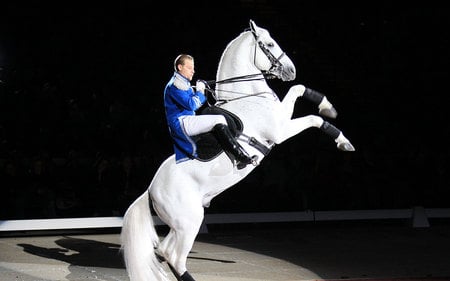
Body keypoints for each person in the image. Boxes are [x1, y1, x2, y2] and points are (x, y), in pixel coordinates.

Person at [163, 54, 257, 169]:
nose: (193, 71)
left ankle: (237, 156)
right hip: (180, 123)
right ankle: (240, 157)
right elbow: (193, 105)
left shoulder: (183, 83)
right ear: (180, 67)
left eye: (193, 68)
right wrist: (200, 90)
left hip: (187, 120)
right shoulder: (175, 85)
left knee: (217, 118)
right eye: (189, 68)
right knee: (218, 119)